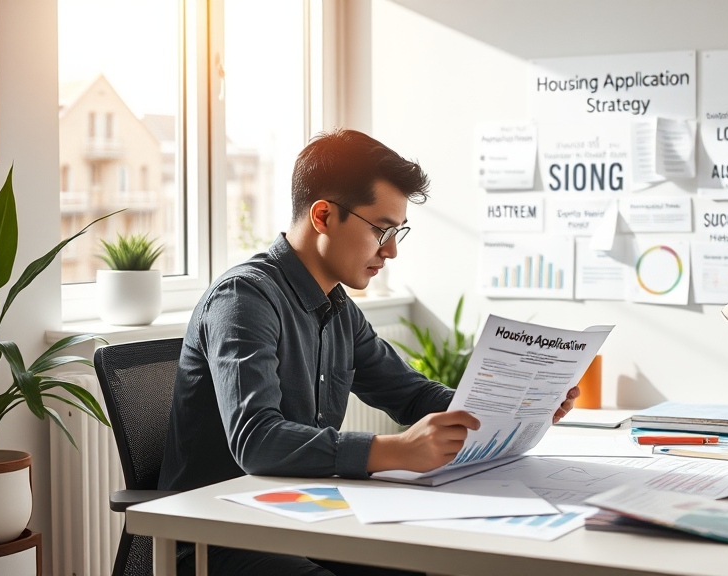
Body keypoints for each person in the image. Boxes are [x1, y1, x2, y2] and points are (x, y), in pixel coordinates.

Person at [158, 129, 580, 576]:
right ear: (323, 215)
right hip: (221, 538)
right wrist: (395, 450)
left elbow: (413, 396)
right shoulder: (244, 297)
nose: (392, 250)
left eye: (398, 232)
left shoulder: (338, 308)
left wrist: (513, 405)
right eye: (382, 229)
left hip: (304, 519)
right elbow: (257, 440)